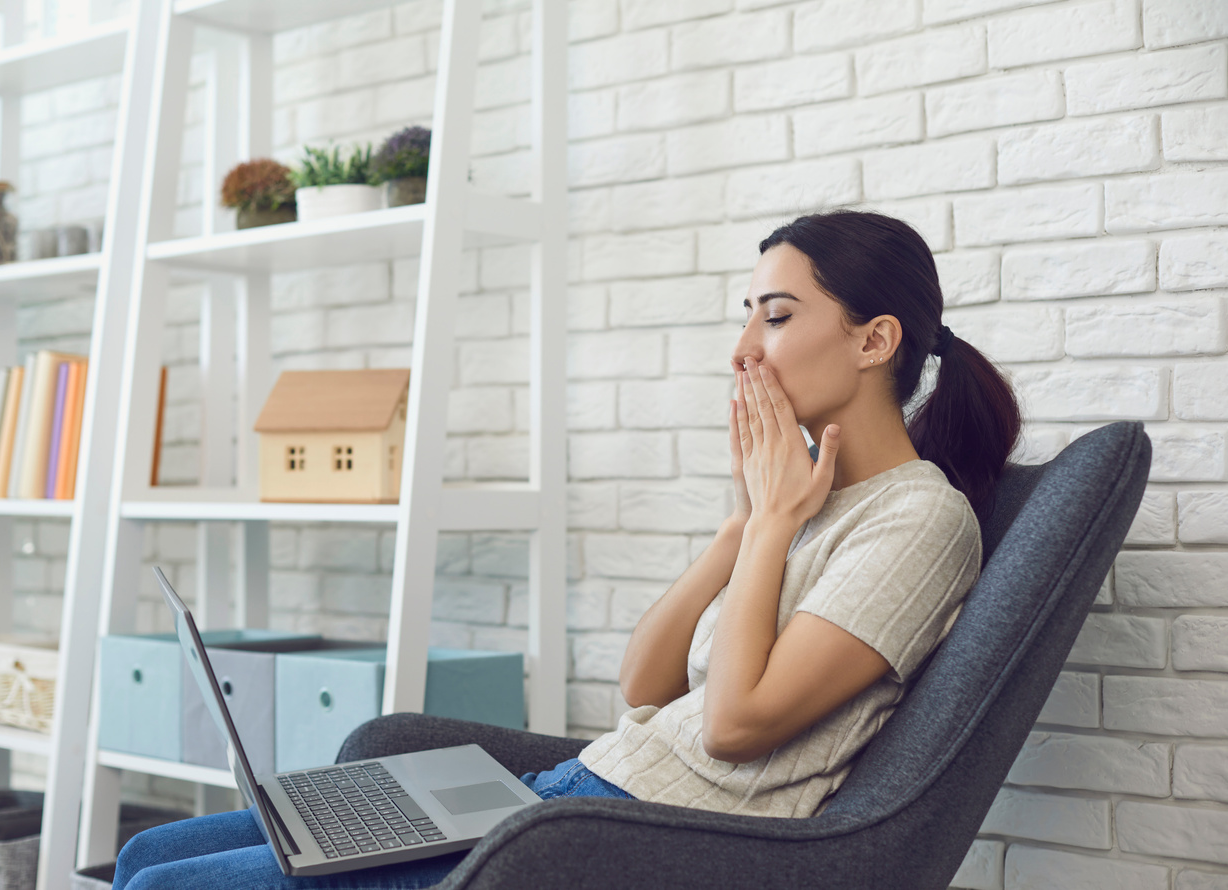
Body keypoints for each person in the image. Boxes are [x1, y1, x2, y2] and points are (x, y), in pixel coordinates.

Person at [113, 209, 1020, 889]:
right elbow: (646, 689)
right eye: (748, 315)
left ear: (875, 339)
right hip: (575, 790)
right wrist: (744, 527)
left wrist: (778, 525)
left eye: (775, 317)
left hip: (630, 838)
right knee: (148, 850)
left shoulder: (918, 523)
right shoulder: (802, 498)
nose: (743, 349)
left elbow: (735, 728)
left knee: (162, 887)